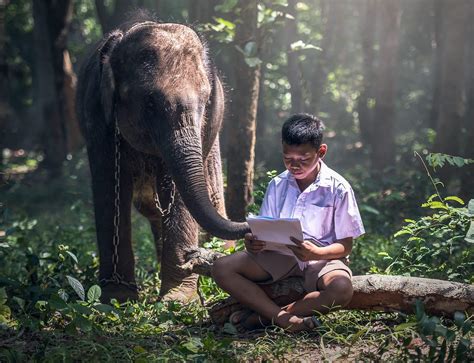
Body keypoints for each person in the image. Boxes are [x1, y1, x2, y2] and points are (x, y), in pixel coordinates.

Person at [212, 113, 365, 332]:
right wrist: (253, 243)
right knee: (222, 268)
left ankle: (264, 319)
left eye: (303, 159)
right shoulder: (278, 185)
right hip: (280, 255)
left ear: (321, 152)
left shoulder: (338, 188)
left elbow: (345, 246)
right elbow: (265, 230)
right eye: (288, 158)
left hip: (322, 258)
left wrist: (315, 253)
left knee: (341, 289)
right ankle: (283, 319)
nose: (295, 165)